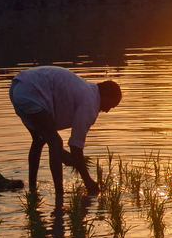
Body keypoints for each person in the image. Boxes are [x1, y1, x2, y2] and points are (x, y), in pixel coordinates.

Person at [9, 65, 121, 199]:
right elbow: (75, 146)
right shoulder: (90, 103)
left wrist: (68, 158)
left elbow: (72, 150)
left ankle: (32, 189)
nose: (107, 110)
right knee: (55, 142)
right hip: (32, 92)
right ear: (106, 95)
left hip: (17, 87)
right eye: (111, 105)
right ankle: (59, 195)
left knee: (39, 140)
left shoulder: (87, 90)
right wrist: (88, 181)